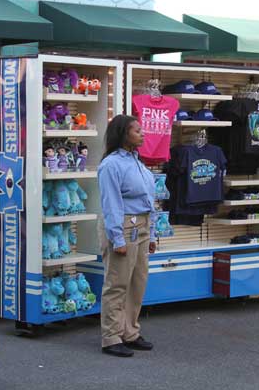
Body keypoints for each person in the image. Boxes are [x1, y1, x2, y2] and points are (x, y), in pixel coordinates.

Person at [97, 114, 157, 357]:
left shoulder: (137, 162)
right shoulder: (111, 165)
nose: (142, 133)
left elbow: (148, 201)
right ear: (123, 135)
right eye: (137, 130)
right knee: (117, 284)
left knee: (137, 283)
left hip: (141, 226)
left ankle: (129, 332)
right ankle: (111, 337)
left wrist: (151, 233)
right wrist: (117, 238)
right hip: (122, 226)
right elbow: (110, 203)